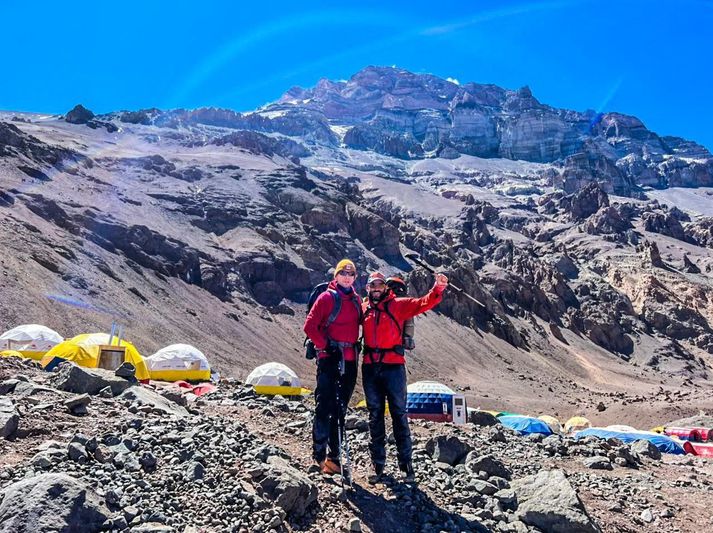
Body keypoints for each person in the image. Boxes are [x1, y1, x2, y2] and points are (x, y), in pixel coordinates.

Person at [362, 271, 448, 483]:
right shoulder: (363, 308)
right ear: (367, 288)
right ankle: (378, 466)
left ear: (385, 287)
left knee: (399, 415)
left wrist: (438, 288)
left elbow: (423, 304)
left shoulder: (398, 305)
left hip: (393, 368)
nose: (376, 289)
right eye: (373, 285)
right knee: (375, 417)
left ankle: (406, 467)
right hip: (370, 368)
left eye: (380, 285)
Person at [303, 259, 362, 475]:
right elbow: (309, 326)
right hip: (329, 359)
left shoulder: (356, 300)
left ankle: (333, 458)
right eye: (343, 274)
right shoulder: (327, 298)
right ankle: (318, 456)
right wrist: (326, 346)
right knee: (324, 406)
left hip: (349, 360)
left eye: (351, 274)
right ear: (336, 276)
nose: (347, 277)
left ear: (355, 277)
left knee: (340, 409)